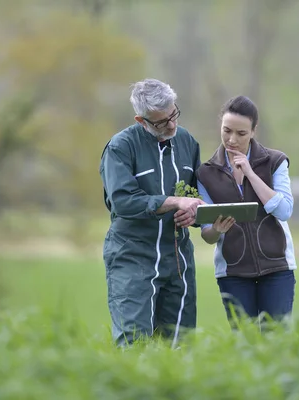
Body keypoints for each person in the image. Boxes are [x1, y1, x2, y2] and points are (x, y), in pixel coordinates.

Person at [99, 78, 205, 347]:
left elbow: (194, 197)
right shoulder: (120, 148)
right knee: (134, 344)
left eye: (173, 115)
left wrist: (193, 213)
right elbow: (122, 201)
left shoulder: (187, 142)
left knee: (181, 346)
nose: (171, 125)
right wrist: (173, 202)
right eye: (161, 122)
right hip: (133, 257)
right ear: (140, 120)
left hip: (178, 261)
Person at [196, 95, 297, 328]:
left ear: (253, 131)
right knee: (244, 343)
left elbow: (284, 210)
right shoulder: (206, 173)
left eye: (241, 134)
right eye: (226, 131)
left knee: (277, 339)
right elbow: (206, 234)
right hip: (233, 273)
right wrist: (217, 231)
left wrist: (251, 173)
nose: (232, 140)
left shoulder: (275, 162)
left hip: (277, 267)